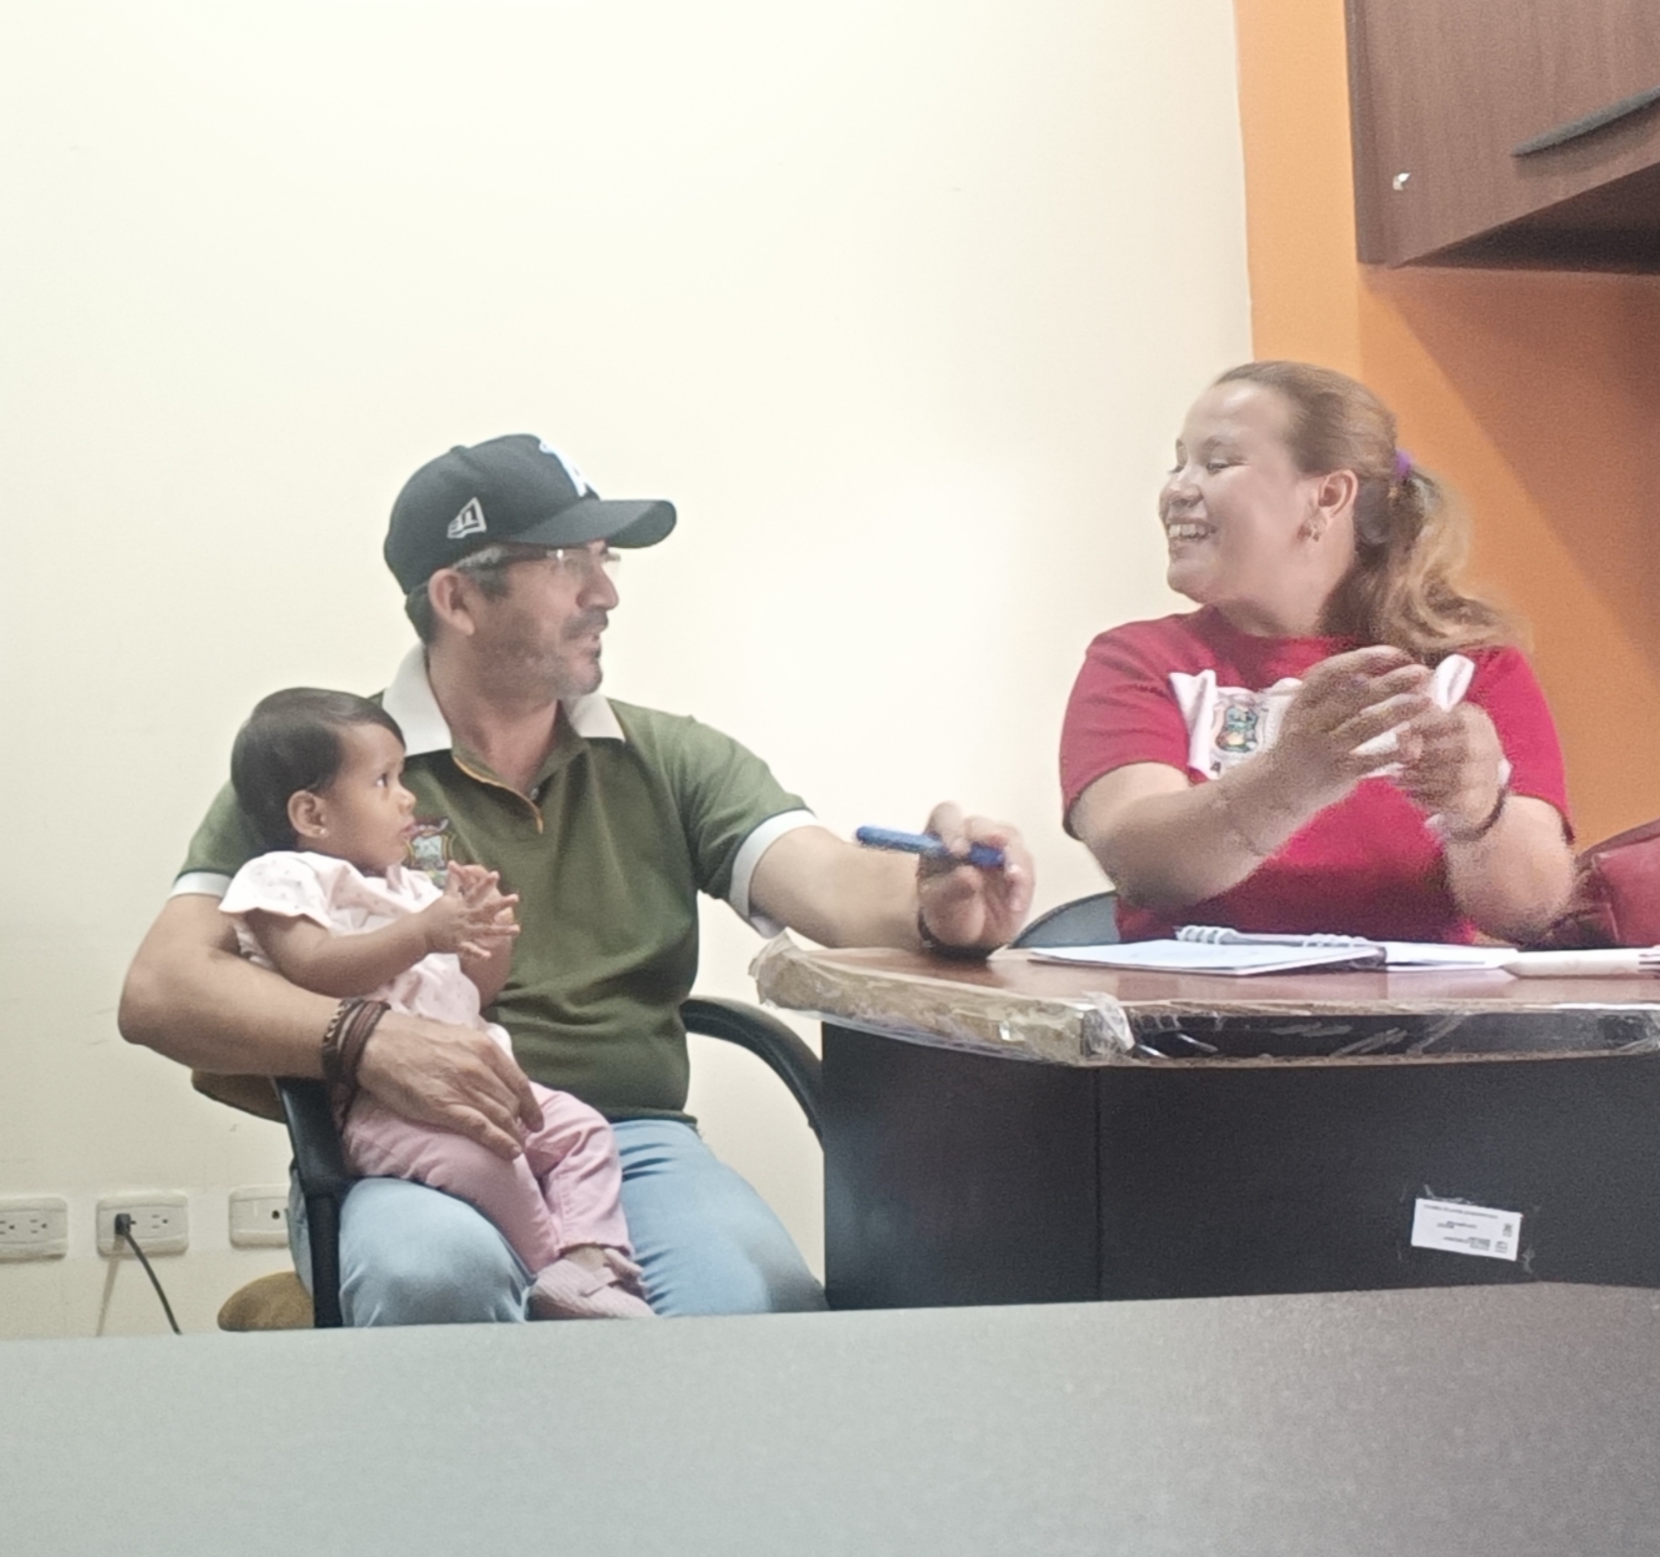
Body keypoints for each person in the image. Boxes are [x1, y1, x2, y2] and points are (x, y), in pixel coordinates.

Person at [118, 435, 1035, 1325]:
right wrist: (368, 1040)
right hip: (413, 1142)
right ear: (456, 597)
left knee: (755, 1310)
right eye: (568, 563)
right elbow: (162, 988)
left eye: (606, 559)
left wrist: (934, 897)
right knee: (432, 1279)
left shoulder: (667, 755)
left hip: (626, 1141)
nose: (605, 593)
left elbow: (828, 879)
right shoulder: (328, 774)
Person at [1060, 361, 1574, 945]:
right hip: (1192, 1005)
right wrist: (1293, 776)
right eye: (1179, 464)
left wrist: (1479, 814)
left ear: (1327, 496)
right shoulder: (1139, 659)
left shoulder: (1471, 668)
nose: (1177, 490)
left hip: (1422, 1005)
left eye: (1218, 464)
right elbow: (1141, 864)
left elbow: (1532, 911)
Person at [219, 687, 649, 1321]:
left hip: (484, 1082)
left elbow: (475, 991)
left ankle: (591, 1261)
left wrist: (486, 937)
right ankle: (552, 1281)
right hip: (383, 1106)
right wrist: (423, 933)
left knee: (584, 1131)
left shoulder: (409, 886)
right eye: (383, 781)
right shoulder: (285, 877)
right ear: (312, 814)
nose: (407, 797)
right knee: (490, 1163)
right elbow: (315, 968)